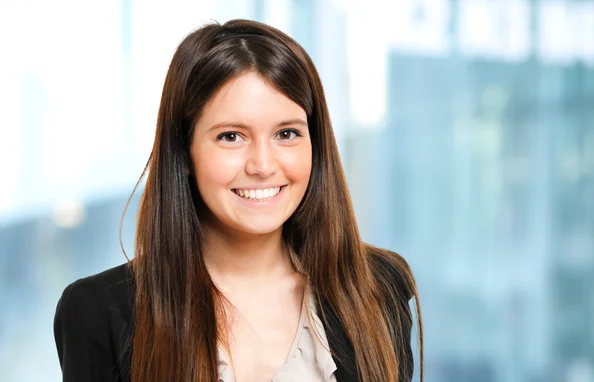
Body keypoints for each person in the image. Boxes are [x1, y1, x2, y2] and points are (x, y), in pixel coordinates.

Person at [53, 19, 423, 382]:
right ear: (184, 152)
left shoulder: (378, 288)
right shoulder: (97, 312)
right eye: (231, 136)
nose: (263, 166)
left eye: (287, 133)